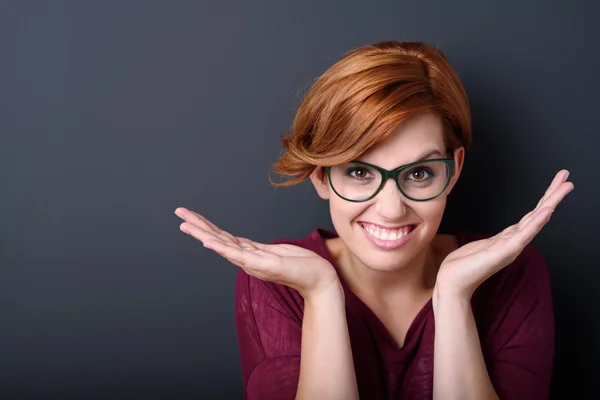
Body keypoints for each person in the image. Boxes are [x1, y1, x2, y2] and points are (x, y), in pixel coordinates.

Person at [174, 41, 574, 400]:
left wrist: (452, 296)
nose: (391, 208)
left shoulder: (511, 273)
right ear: (320, 176)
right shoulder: (276, 281)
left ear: (452, 171)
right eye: (359, 172)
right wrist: (321, 295)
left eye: (418, 174)